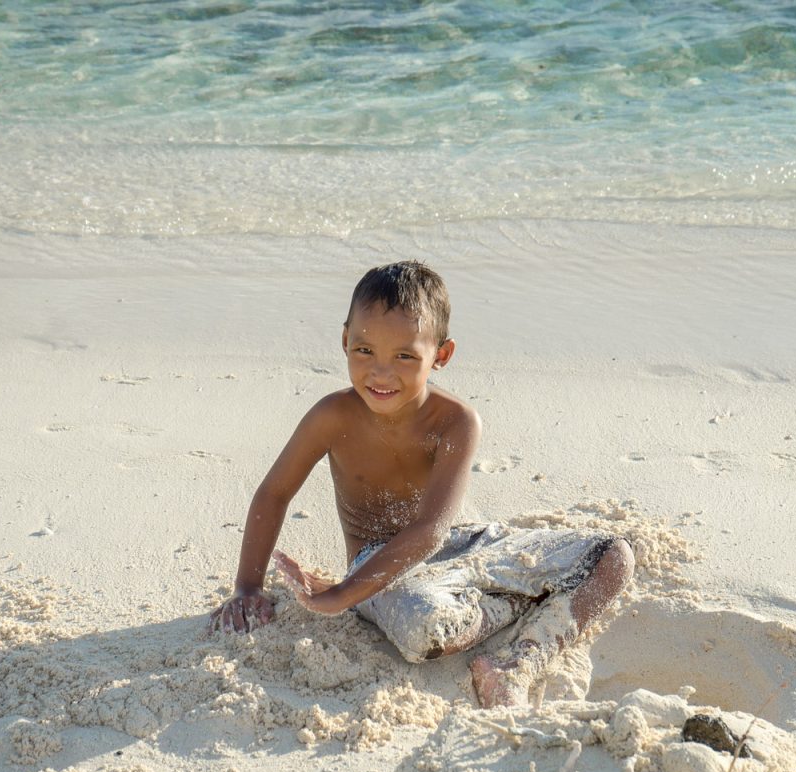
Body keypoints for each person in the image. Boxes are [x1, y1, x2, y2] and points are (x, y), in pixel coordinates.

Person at [209, 261, 634, 707]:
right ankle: (518, 603)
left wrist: (336, 596)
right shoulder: (331, 417)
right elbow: (274, 493)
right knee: (423, 630)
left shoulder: (456, 422)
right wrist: (248, 588)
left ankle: (520, 661)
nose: (380, 373)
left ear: (441, 355)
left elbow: (433, 531)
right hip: (380, 570)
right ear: (344, 341)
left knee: (614, 557)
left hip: (463, 547)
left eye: (405, 356)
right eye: (364, 350)